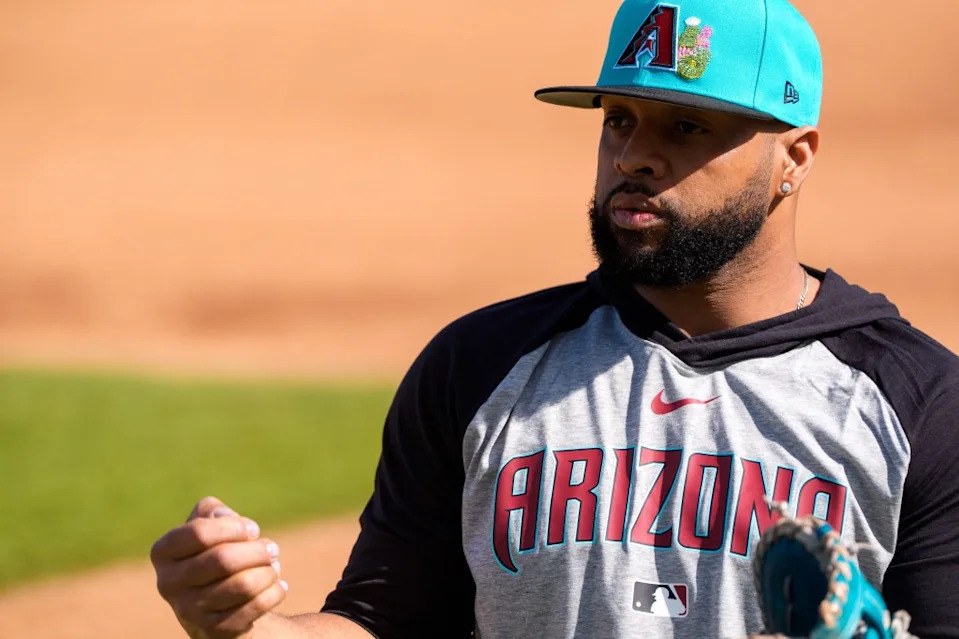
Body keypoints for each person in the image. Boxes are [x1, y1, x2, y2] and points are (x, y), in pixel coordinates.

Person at [150, 0, 959, 637]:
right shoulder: (480, 366)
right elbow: (381, 623)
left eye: (685, 126)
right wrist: (246, 627)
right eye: (617, 119)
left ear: (795, 157)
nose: (635, 155)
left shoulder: (920, 405)